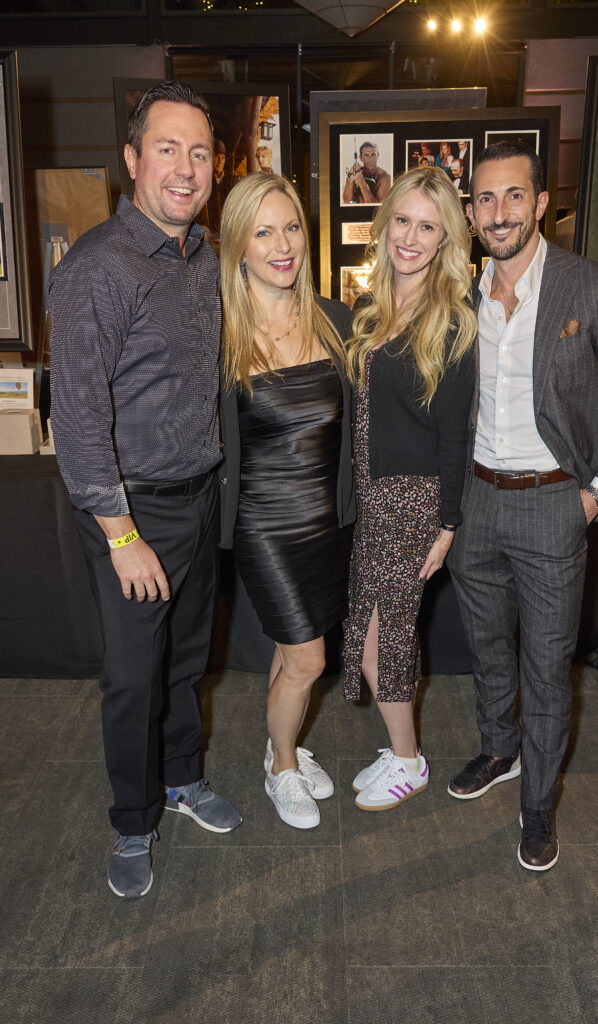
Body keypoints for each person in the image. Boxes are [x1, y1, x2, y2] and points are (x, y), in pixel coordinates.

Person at [447, 141, 598, 871]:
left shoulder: (592, 286)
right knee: (485, 648)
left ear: (540, 203)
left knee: (545, 667)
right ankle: (498, 749)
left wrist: (595, 495)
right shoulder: (459, 294)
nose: (499, 212)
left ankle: (537, 804)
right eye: (485, 199)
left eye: (513, 195)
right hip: (476, 500)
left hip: (553, 504)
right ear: (470, 212)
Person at [48, 81, 242, 900]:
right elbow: (77, 418)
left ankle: (181, 777)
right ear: (132, 159)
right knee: (134, 677)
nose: (185, 167)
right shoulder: (97, 268)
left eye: (199, 152)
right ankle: (133, 820)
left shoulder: (201, 257)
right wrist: (123, 536)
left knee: (187, 661)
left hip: (199, 496)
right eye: (167, 149)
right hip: (131, 510)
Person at [218, 173, 355, 830]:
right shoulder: (219, 332)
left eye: (291, 227)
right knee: (309, 658)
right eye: (263, 232)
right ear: (238, 246)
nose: (282, 245)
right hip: (265, 524)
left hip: (328, 519)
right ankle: (280, 765)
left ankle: (286, 743)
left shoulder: (333, 319)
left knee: (289, 647)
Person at [343, 166, 478, 812]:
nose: (410, 237)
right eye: (402, 220)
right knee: (372, 629)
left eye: (428, 227)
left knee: (383, 640)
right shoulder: (368, 309)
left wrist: (447, 525)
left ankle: (407, 760)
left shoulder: (451, 321)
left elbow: (454, 435)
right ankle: (401, 751)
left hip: (415, 502)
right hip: (372, 498)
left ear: (445, 239)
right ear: (385, 222)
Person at [202, 138, 229, 235]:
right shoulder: (204, 180)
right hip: (209, 232)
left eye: (222, 158)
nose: (220, 161)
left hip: (227, 231)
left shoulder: (230, 182)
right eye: (217, 157)